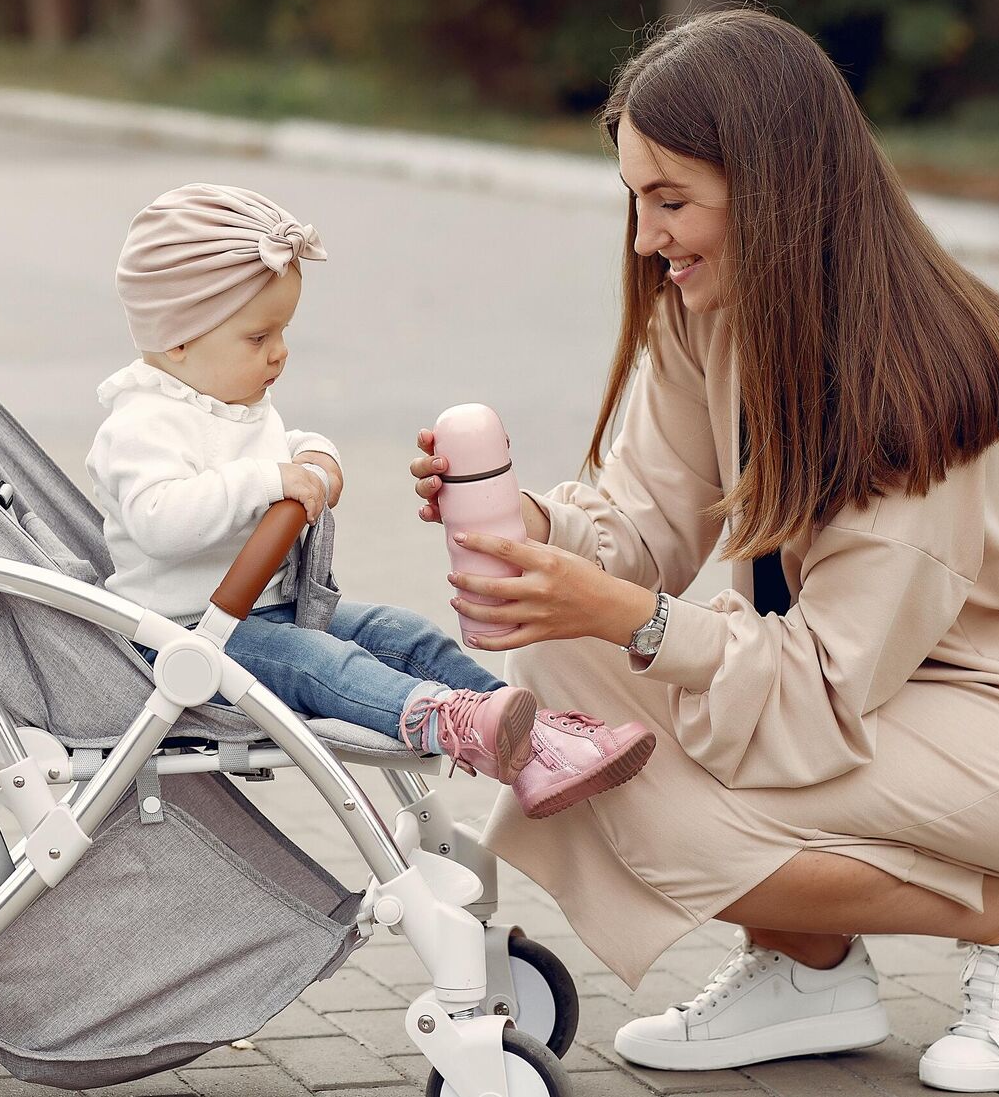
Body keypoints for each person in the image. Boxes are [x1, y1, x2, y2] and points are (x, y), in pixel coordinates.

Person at [408, 10, 999, 1094]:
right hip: (853, 694)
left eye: (673, 199)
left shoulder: (912, 386)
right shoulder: (708, 313)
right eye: (636, 199)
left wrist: (624, 619)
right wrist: (536, 533)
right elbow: (645, 532)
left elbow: (822, 683)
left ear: (777, 186)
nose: (648, 238)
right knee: (561, 683)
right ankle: (812, 969)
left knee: (646, 801)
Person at [94, 183, 654, 814]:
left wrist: (315, 456)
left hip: (266, 612)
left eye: (283, 331)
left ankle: (540, 744)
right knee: (320, 663)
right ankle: (446, 721)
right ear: (179, 338)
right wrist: (271, 483)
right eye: (259, 337)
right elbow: (158, 519)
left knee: (402, 633)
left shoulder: (227, 396)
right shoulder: (140, 424)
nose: (280, 352)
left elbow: (279, 445)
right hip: (188, 638)